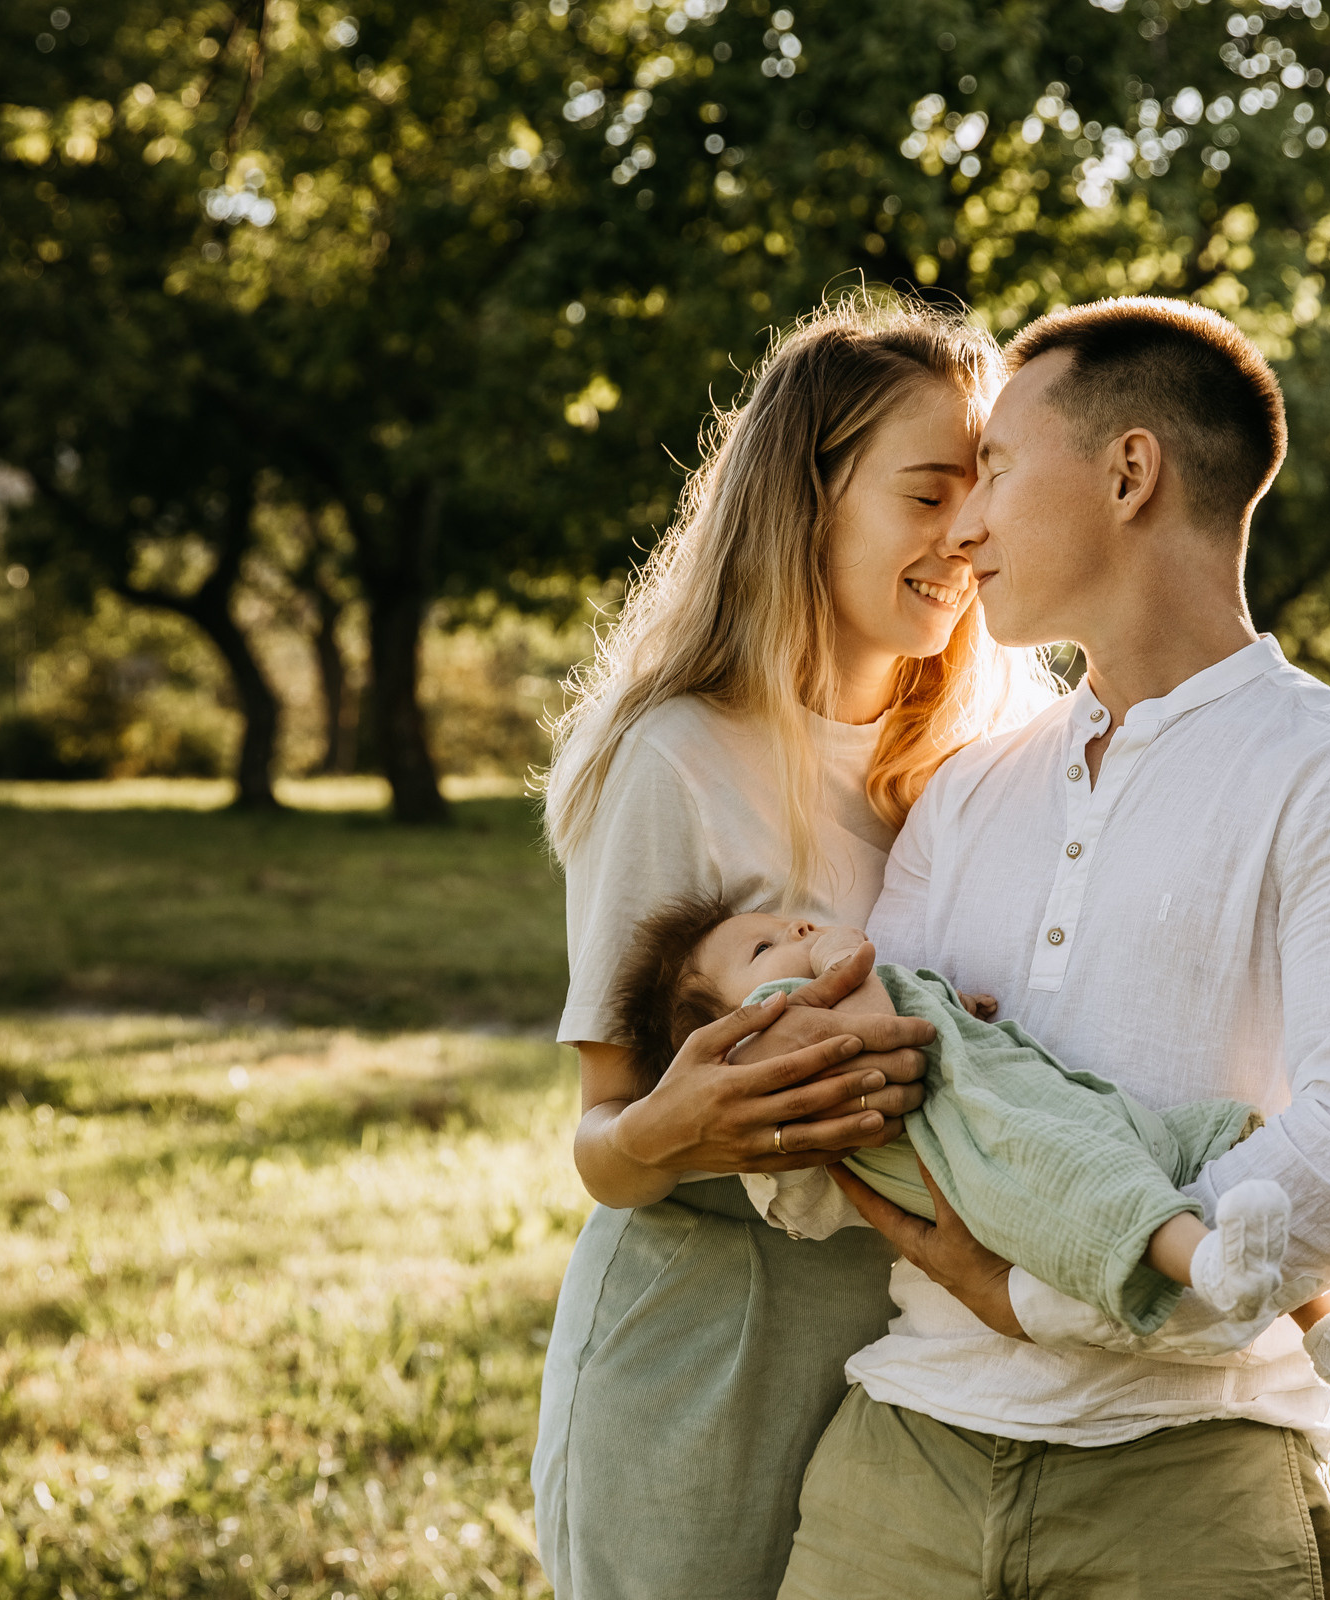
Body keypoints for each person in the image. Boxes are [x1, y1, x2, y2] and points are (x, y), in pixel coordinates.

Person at [775, 297, 1330, 1600]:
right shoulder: (967, 788)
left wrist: (1037, 1299)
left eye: (994, 468)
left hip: (1189, 1485)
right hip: (901, 1467)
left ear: (1129, 471)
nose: (966, 523)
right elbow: (874, 1094)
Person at [532, 294, 1056, 1600]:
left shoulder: (983, 763)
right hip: (716, 1348)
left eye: (985, 492)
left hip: (928, 1359)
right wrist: (685, 1122)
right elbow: (604, 1140)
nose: (968, 535)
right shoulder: (677, 760)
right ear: (807, 501)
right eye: (928, 492)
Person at [611, 897, 1330, 1402]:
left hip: (1052, 1110)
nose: (794, 931)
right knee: (1098, 1193)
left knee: (1222, 1129)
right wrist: (834, 949)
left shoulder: (814, 998)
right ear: (724, 1040)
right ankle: (1211, 1267)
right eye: (764, 946)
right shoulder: (779, 1037)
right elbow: (869, 1025)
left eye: (785, 922)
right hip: (999, 1159)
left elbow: (916, 1019)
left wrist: (957, 1007)